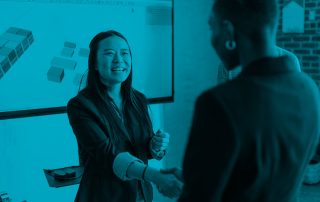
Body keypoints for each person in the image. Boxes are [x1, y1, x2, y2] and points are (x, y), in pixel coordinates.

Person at [178, 0, 320, 201]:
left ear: (227, 29)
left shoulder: (217, 103)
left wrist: (194, 182)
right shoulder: (309, 89)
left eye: (212, 27)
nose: (212, 39)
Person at [67, 30, 183, 202]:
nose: (118, 60)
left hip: (141, 195)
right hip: (104, 196)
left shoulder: (139, 99)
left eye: (124, 53)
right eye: (109, 53)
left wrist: (155, 146)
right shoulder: (80, 105)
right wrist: (157, 176)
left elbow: (142, 148)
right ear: (95, 64)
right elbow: (107, 154)